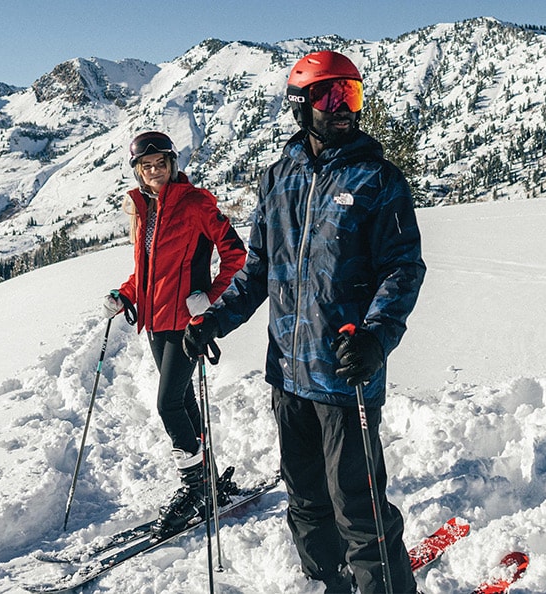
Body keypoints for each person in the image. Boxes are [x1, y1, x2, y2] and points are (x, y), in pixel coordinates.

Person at [182, 51, 426, 593]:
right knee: (307, 500)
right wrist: (214, 321)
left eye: (352, 95)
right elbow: (258, 270)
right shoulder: (278, 179)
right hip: (289, 375)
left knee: (358, 508)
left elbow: (403, 269)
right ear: (300, 105)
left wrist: (376, 337)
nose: (343, 108)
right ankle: (328, 583)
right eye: (329, 95)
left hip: (345, 375)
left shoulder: (378, 180)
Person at [102, 131, 246, 537]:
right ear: (138, 171)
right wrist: (125, 295)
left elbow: (236, 256)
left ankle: (195, 488)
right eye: (146, 166)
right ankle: (209, 481)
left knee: (167, 405)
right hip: (155, 323)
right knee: (182, 402)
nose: (154, 171)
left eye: (160, 163)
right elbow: (146, 273)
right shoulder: (143, 209)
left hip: (186, 323)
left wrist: (210, 297)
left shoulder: (196, 203)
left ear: (172, 164)